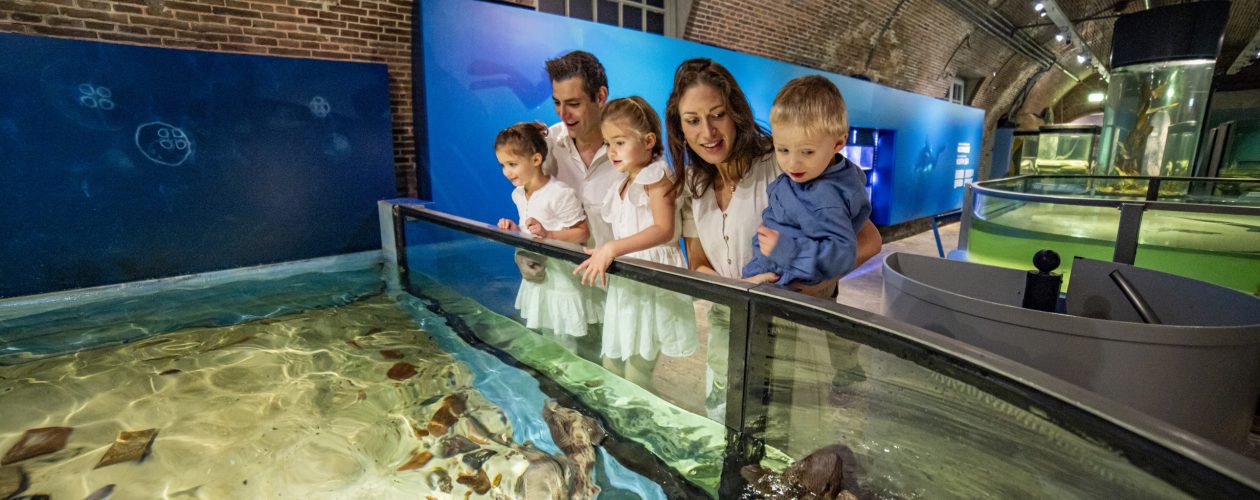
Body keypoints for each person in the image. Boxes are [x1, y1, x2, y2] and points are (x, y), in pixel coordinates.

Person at [666, 59, 882, 420]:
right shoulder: (695, 184)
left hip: (788, 326)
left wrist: (815, 284)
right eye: (693, 120)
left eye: (717, 114)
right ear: (680, 127)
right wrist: (734, 291)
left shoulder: (781, 163)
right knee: (728, 423)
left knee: (787, 439)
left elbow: (868, 241)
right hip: (729, 327)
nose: (708, 131)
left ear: (735, 112)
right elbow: (699, 262)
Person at [574, 96, 697, 392]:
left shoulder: (656, 177)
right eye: (607, 143)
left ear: (648, 140)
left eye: (619, 142)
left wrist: (613, 248)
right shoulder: (624, 181)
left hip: (652, 278)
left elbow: (664, 229)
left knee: (637, 369)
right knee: (613, 362)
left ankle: (636, 428)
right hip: (630, 280)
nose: (611, 152)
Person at [742, 75, 872, 287]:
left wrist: (786, 251)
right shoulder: (803, 178)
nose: (792, 163)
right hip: (765, 275)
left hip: (786, 290)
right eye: (783, 150)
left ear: (838, 143)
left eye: (807, 152)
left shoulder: (827, 197)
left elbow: (842, 254)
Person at [493, 122, 601, 355]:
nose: (507, 172)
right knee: (546, 340)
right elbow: (529, 229)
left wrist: (549, 234)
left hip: (562, 280)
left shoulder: (560, 193)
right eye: (502, 165)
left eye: (512, 164)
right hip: (537, 277)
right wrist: (514, 229)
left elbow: (582, 232)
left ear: (535, 159)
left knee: (568, 343)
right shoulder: (518, 194)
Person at [541, 50, 621, 247]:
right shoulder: (546, 145)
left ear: (600, 96)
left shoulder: (635, 151)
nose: (562, 114)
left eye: (573, 104)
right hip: (558, 274)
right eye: (557, 103)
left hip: (614, 276)